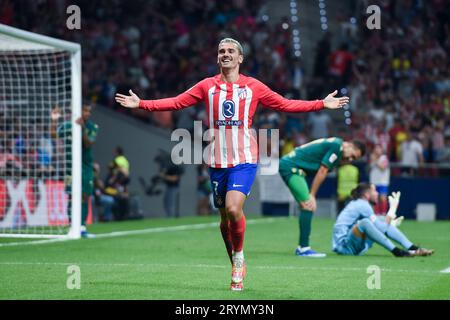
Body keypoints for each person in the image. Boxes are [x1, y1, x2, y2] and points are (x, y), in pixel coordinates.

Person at [115, 38, 349, 291]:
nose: (225, 54)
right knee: (224, 221)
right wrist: (142, 104)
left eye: (230, 51)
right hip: (217, 161)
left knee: (234, 209)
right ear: (218, 58)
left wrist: (320, 104)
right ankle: (236, 260)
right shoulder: (207, 86)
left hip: (245, 159)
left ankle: (238, 260)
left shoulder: (253, 87)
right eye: (221, 51)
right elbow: (177, 101)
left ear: (240, 59)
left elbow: (285, 104)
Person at [278, 137, 365, 257]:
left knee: (306, 205)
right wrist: (312, 194)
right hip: (290, 166)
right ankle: (303, 248)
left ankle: (303, 247)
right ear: (350, 145)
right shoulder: (336, 146)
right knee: (308, 204)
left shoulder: (336, 146)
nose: (350, 160)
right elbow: (322, 170)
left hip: (293, 166)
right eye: (353, 156)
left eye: (353, 159)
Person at [332, 183, 434, 257]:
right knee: (366, 223)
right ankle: (397, 252)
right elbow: (382, 227)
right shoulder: (363, 205)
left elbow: (380, 225)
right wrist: (392, 209)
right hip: (345, 247)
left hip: (351, 244)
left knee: (380, 219)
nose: (377, 193)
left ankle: (413, 248)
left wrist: (389, 220)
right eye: (374, 190)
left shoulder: (360, 204)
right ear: (367, 195)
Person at [51, 104, 99, 237]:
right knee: (72, 196)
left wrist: (82, 129)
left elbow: (89, 143)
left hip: (86, 166)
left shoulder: (92, 127)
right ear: (78, 110)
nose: (88, 113)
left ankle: (82, 227)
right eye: (85, 110)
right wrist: (54, 120)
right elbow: (54, 135)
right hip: (70, 167)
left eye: (89, 111)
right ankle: (72, 226)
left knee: (85, 195)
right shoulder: (67, 125)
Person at [369, 144, 390, 214]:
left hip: (382, 182)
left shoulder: (384, 158)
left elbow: (383, 168)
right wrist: (372, 160)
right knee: (375, 198)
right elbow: (369, 168)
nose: (377, 150)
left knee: (383, 198)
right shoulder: (372, 158)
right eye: (376, 148)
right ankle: (376, 213)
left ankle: (383, 213)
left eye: (378, 148)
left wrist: (376, 160)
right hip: (374, 182)